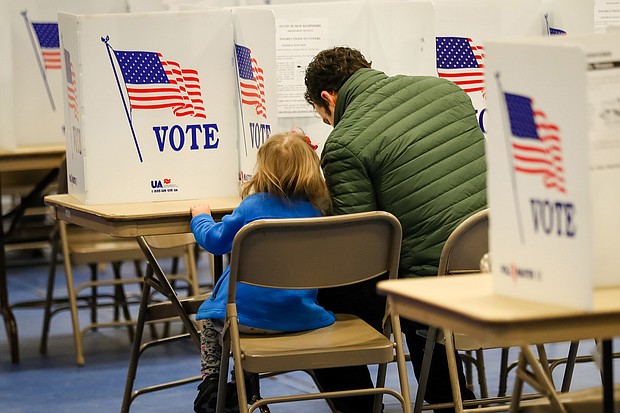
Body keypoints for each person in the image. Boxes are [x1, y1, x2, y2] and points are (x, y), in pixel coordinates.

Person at [304, 47, 487, 413]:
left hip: (429, 286)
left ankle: (360, 406)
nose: (329, 124)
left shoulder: (344, 142)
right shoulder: (448, 91)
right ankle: (452, 397)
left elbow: (359, 253)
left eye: (324, 116)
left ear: (328, 98)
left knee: (310, 301)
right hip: (493, 261)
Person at [190, 131, 335, 413]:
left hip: (243, 321)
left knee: (211, 319)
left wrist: (201, 217)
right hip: (301, 318)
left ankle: (213, 383)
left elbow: (215, 242)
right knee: (239, 320)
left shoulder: (251, 207)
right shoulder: (317, 212)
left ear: (263, 170)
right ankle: (247, 386)